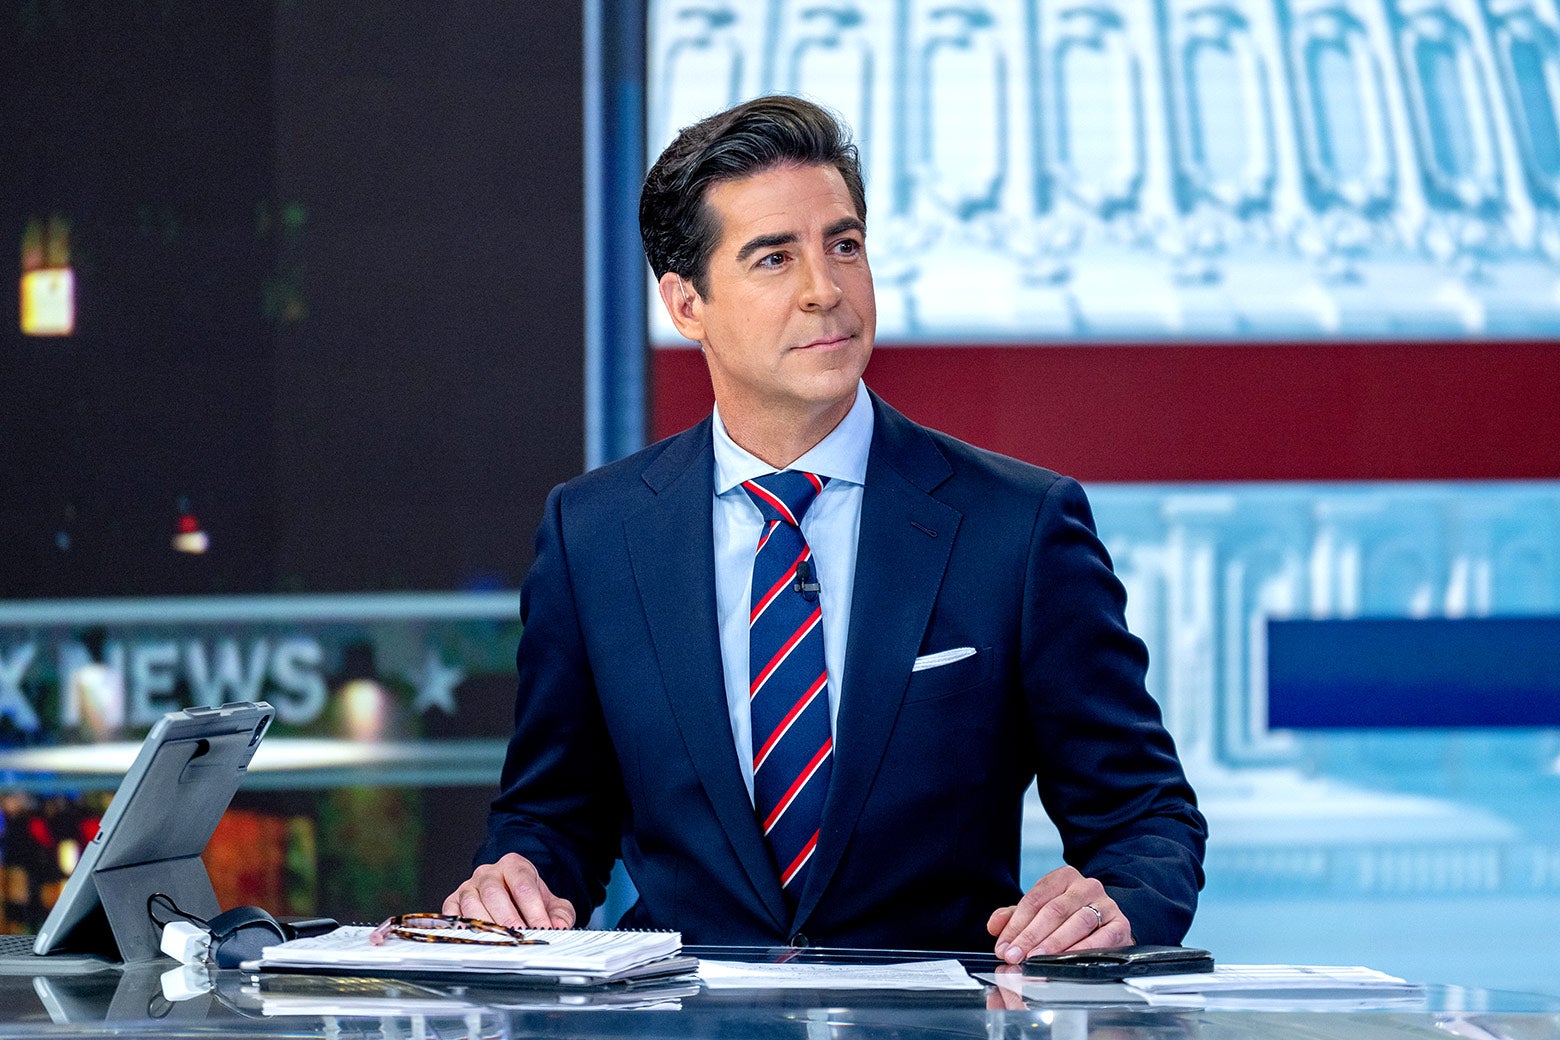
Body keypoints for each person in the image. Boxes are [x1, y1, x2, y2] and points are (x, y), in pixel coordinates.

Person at [445, 95, 1206, 961]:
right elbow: (552, 815)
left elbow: (1145, 816)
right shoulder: (595, 534)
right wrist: (514, 877)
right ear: (686, 303)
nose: (826, 291)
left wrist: (1117, 905)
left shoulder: (1019, 527)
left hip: (939, 1023)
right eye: (774, 259)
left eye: (844, 246)